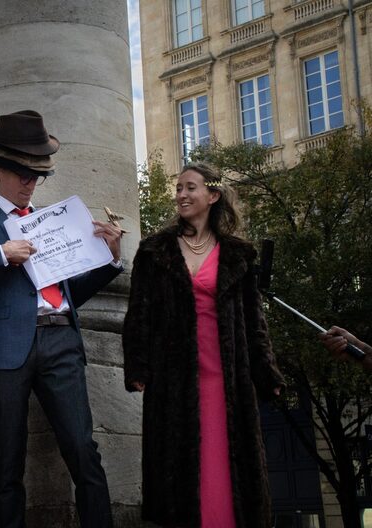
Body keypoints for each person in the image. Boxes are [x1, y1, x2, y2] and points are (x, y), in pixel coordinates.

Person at [0, 110, 124, 528]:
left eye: (37, 176)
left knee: (83, 451)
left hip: (62, 340)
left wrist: (111, 258)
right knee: (7, 462)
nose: (31, 183)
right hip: (6, 349)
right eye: (23, 174)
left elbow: (71, 292)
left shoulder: (56, 221)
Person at [123, 162, 286, 527]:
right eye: (178, 188)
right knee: (176, 474)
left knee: (229, 471)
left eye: (190, 188)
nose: (181, 194)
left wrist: (266, 371)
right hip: (172, 379)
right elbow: (139, 315)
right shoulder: (154, 251)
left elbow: (253, 321)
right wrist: (137, 366)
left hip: (228, 379)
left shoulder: (238, 255)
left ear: (212, 195)